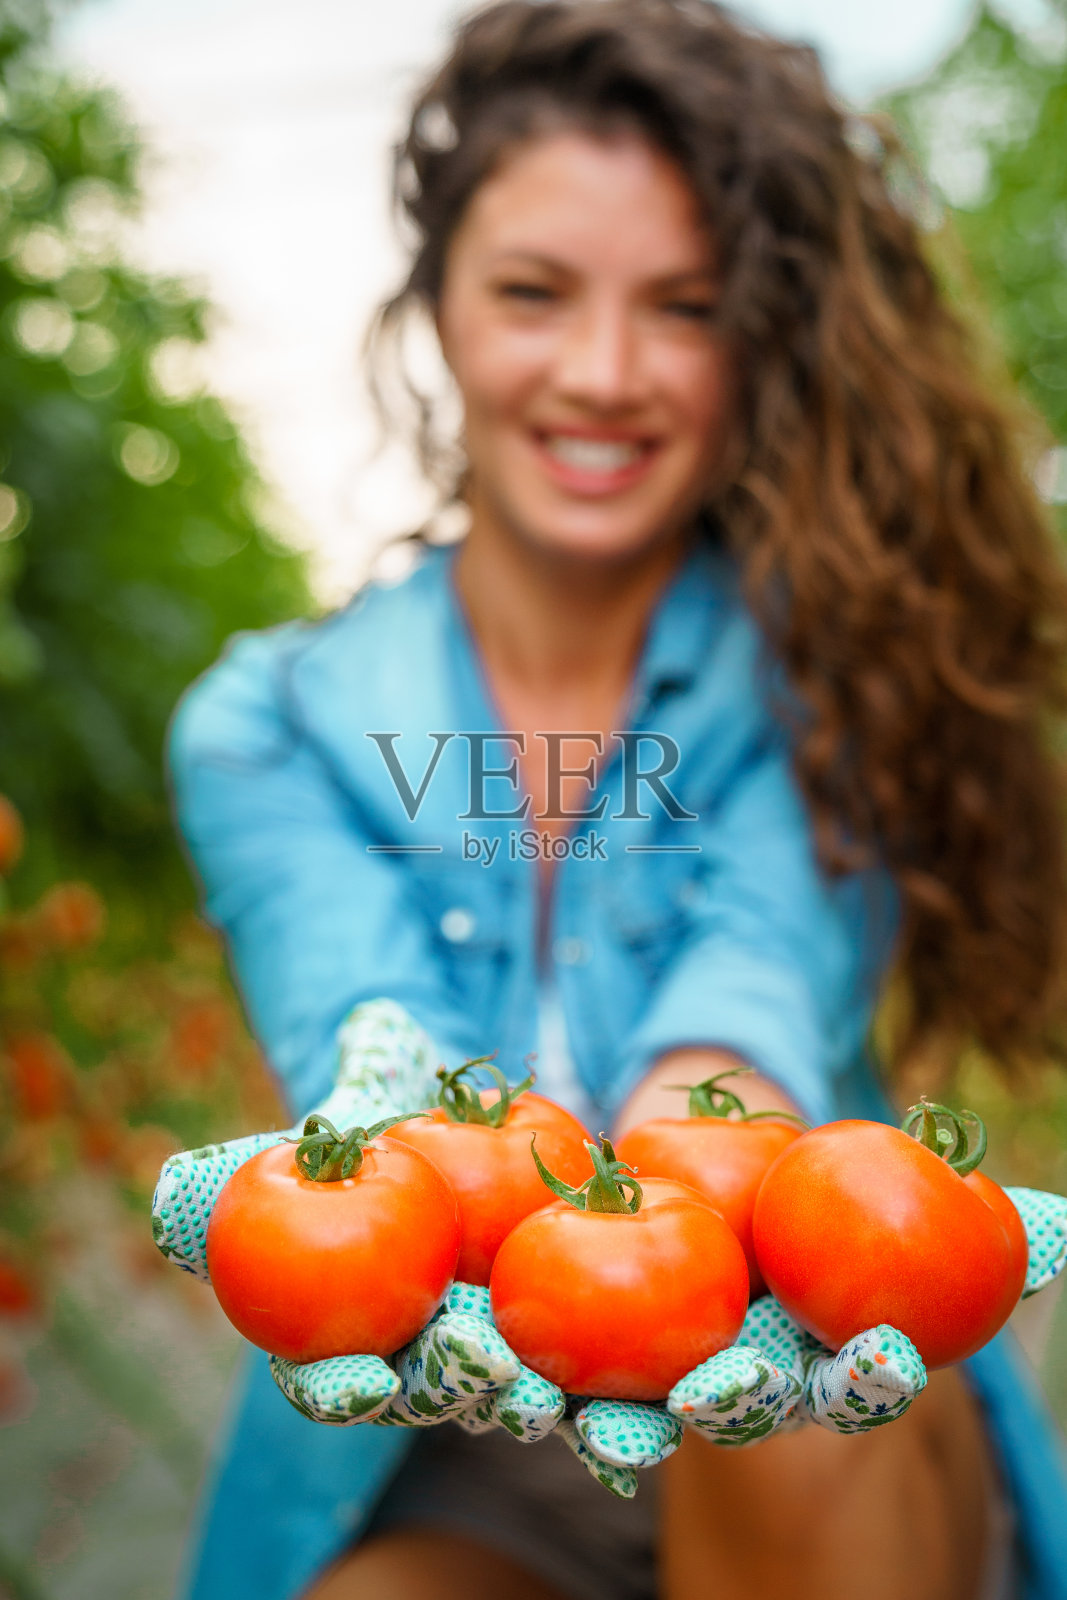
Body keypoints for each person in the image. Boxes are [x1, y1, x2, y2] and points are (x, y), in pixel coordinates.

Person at [165, 2, 1067, 1597]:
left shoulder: (843, 658)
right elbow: (361, 1009)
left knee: (782, 1443)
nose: (602, 373)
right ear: (436, 301)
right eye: (533, 293)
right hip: (458, 1443)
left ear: (760, 339)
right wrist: (392, 1109)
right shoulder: (267, 724)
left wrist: (716, 1181)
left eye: (685, 307)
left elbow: (757, 972)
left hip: (798, 1400)